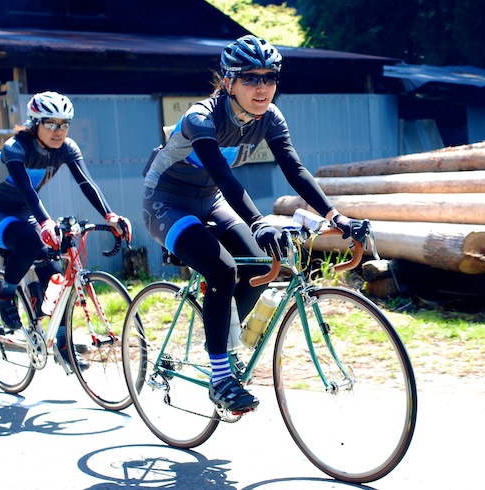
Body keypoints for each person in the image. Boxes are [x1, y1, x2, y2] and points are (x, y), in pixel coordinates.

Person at [143, 35, 364, 412]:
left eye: (270, 77)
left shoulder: (271, 118)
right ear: (229, 82)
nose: (262, 87)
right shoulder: (202, 117)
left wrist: (335, 215)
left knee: (261, 268)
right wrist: (259, 221)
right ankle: (220, 378)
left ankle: (220, 345)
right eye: (250, 78)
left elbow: (294, 169)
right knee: (222, 269)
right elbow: (225, 178)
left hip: (210, 199)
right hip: (166, 201)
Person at [0, 91, 132, 368]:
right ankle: (6, 294)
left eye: (64, 124)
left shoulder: (67, 148)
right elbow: (26, 191)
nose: (58, 131)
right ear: (34, 123)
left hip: (25, 212)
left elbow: (87, 183)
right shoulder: (16, 148)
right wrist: (46, 222)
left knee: (56, 273)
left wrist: (110, 215)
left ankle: (61, 344)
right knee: (29, 242)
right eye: (50, 124)